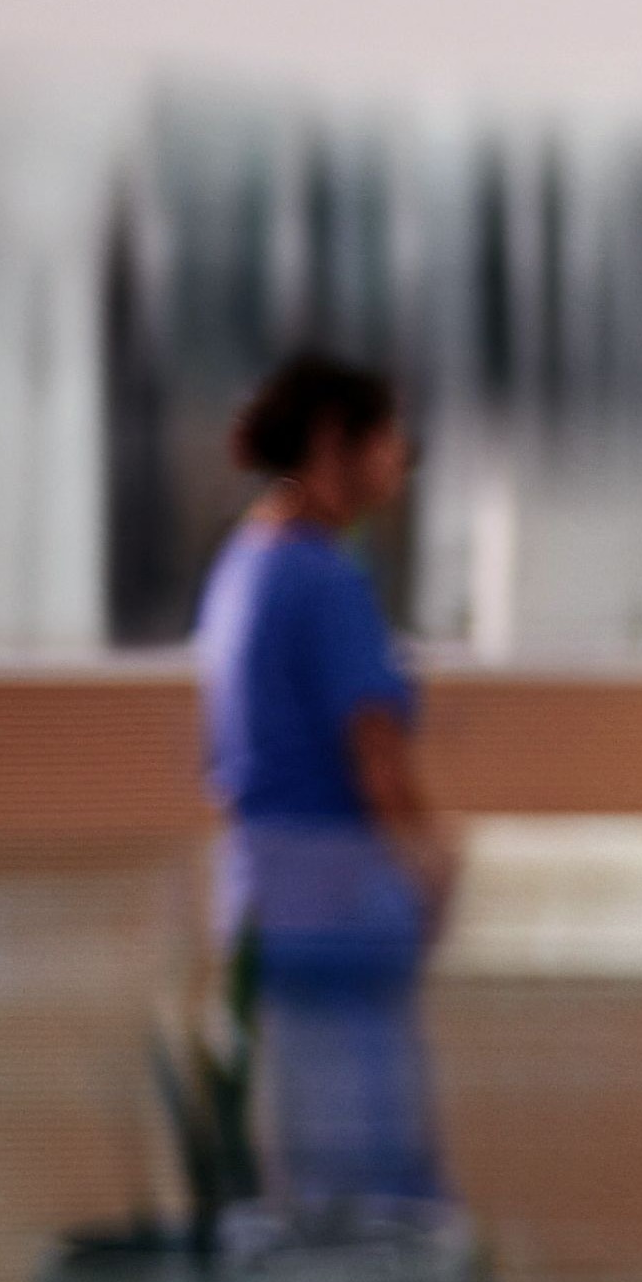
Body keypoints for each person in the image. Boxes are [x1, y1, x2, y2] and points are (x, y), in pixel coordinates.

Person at [194, 354, 455, 1211]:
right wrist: (434, 865)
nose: (399, 461)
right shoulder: (324, 578)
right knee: (374, 1144)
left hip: (261, 899)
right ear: (335, 441)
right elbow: (376, 755)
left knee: (307, 1145)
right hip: (337, 897)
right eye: (387, 439)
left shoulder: (243, 567)